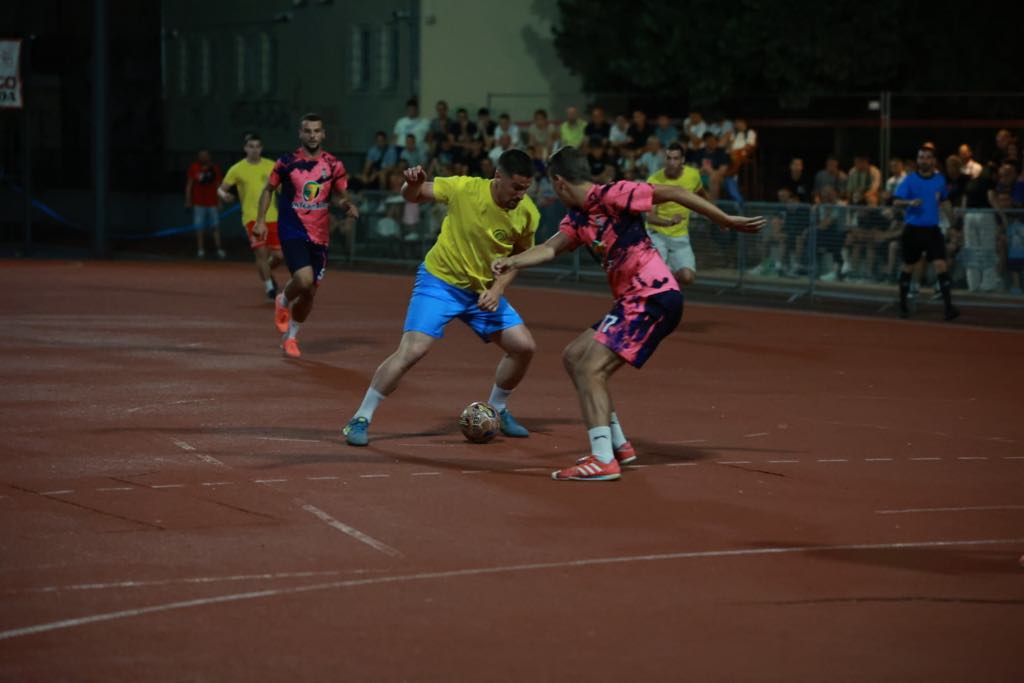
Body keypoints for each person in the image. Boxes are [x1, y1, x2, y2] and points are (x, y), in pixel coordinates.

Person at [491, 147, 764, 481]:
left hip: (653, 296)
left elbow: (675, 192)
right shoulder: (577, 217)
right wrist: (512, 261)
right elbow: (549, 248)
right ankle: (618, 445)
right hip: (631, 302)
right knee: (575, 356)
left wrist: (724, 219)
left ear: (559, 182)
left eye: (551, 185)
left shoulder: (614, 194)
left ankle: (603, 459)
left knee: (590, 369)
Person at [342, 149, 541, 447]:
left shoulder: (528, 213)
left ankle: (498, 409)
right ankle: (360, 418)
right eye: (516, 187)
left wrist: (497, 289)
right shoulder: (464, 188)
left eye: (526, 188)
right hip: (440, 283)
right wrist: (412, 183)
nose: (521, 195)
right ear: (498, 176)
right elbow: (414, 195)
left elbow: (519, 258)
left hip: (482, 291)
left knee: (524, 347)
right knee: (413, 350)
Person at [253, 113, 358, 357]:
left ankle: (290, 337)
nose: (312, 135)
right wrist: (260, 220)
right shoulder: (286, 162)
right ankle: (283, 299)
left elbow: (340, 196)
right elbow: (268, 190)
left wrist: (347, 206)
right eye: (308, 131)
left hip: (320, 235)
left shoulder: (334, 165)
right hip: (293, 228)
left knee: (310, 293)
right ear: (300, 134)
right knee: (303, 279)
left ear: (323, 134)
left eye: (316, 131)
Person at [892, 144, 958, 320]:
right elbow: (896, 202)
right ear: (917, 160)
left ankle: (949, 308)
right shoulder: (910, 180)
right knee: (908, 267)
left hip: (932, 230)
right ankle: (903, 305)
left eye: (928, 157)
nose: (924, 161)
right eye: (921, 157)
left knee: (941, 265)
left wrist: (954, 223)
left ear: (933, 161)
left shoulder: (940, 180)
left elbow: (945, 201)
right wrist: (910, 202)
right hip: (913, 229)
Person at [218, 132, 283, 299]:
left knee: (279, 256)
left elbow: (281, 188)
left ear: (261, 148)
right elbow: (221, 189)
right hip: (251, 218)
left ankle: (265, 270)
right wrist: (224, 196)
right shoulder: (237, 169)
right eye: (251, 146)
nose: (254, 150)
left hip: (272, 217)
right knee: (261, 253)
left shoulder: (271, 165)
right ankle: (269, 287)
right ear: (245, 148)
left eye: (257, 146)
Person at [646, 143, 706, 286]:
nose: (671, 162)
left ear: (682, 160)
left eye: (676, 158)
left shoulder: (693, 175)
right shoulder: (654, 181)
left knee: (687, 277)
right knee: (657, 280)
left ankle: (666, 274)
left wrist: (718, 218)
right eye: (669, 158)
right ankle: (660, 277)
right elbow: (650, 217)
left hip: (680, 236)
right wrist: (669, 222)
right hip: (657, 235)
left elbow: (702, 197)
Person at [185, 149, 225, 259]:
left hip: (213, 202)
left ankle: (219, 249)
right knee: (199, 227)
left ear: (209, 156)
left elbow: (219, 185)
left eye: (205, 155)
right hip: (198, 202)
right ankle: (200, 249)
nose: (203, 157)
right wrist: (188, 200)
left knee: (215, 226)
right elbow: (189, 185)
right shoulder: (194, 167)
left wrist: (220, 201)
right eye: (201, 155)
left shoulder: (215, 168)